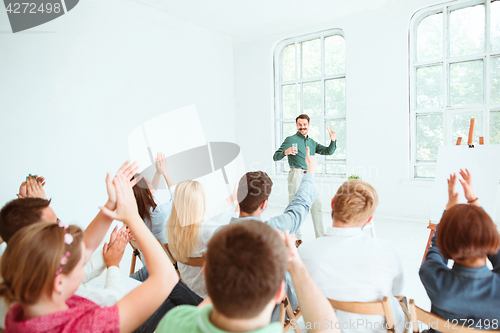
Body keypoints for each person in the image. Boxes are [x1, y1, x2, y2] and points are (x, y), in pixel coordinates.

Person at [0, 167, 179, 333]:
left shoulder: (19, 302)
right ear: (59, 282)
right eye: (80, 261)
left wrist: (112, 204)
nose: (84, 254)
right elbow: (167, 278)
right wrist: (132, 218)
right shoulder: (88, 324)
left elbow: (83, 246)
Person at [157, 220, 340, 333]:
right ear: (279, 293)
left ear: (205, 273)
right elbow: (326, 327)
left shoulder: (174, 321)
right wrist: (295, 264)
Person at [217, 146, 317, 319]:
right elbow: (300, 205)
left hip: (229, 310)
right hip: (271, 314)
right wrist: (310, 173)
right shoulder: (273, 229)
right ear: (264, 204)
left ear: (238, 197)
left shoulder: (219, 235)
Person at [299, 179, 405, 333]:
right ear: (369, 219)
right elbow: (397, 290)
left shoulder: (304, 253)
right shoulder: (386, 251)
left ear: (332, 203)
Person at [419, 169, 500, 330]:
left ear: (445, 242)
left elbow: (436, 248)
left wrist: (449, 211)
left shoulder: (432, 276)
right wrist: (473, 201)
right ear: (491, 238)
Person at [166, 180, 237, 298]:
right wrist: (238, 208)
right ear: (199, 203)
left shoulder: (172, 227)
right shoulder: (206, 231)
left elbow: (209, 214)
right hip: (207, 293)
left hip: (187, 287)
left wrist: (231, 198)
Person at [273, 114, 337, 239]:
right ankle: (296, 238)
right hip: (296, 175)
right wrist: (285, 152)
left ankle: (320, 237)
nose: (302, 127)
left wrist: (333, 140)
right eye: (299, 124)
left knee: (316, 205)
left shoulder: (312, 142)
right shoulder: (290, 139)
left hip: (309, 175)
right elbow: (276, 156)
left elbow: (328, 151)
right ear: (296, 125)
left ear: (308, 125)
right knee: (295, 206)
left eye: (304, 124)